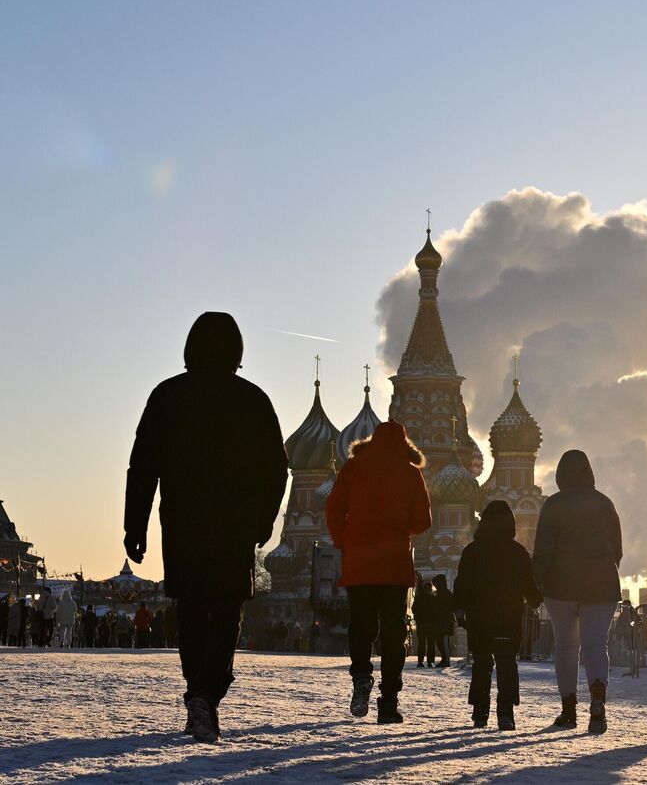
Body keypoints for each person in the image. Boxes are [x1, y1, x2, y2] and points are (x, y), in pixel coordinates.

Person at [124, 311, 289, 743]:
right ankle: (207, 693)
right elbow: (277, 470)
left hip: (183, 524)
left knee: (193, 609)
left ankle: (199, 691)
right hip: (234, 526)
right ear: (237, 351)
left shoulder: (168, 396)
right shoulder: (253, 399)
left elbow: (142, 467)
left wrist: (134, 525)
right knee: (227, 607)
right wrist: (264, 521)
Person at [326, 420, 432, 725]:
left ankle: (361, 674)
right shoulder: (411, 472)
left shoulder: (353, 468)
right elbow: (423, 520)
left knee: (360, 625)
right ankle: (389, 703)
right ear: (404, 444)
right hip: (394, 564)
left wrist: (344, 540)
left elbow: (334, 509)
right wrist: (402, 529)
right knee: (393, 633)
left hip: (359, 562)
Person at [531, 449, 622, 734]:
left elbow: (543, 549)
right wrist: (605, 570)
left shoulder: (554, 504)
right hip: (602, 584)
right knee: (596, 645)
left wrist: (537, 583)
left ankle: (568, 710)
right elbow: (616, 548)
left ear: (560, 475)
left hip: (561, 586)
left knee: (566, 647)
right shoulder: (604, 503)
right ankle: (598, 702)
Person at [454, 500, 542, 730]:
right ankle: (506, 713)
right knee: (506, 663)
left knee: (482, 663)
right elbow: (528, 585)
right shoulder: (518, 552)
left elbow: (461, 584)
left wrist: (459, 609)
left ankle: (480, 713)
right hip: (508, 619)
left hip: (480, 619)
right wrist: (537, 600)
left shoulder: (472, 551)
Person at [412, 576, 435, 667]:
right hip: (429, 624)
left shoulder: (419, 598)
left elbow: (414, 609)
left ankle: (421, 661)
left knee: (423, 643)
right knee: (429, 643)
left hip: (422, 623)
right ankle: (429, 661)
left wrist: (418, 617)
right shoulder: (432, 598)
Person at [432, 574, 454, 668]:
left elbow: (451, 607)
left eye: (436, 583)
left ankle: (446, 660)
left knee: (444, 641)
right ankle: (444, 658)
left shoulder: (446, 593)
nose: (435, 585)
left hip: (445, 621)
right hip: (440, 621)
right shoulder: (440, 593)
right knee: (439, 641)